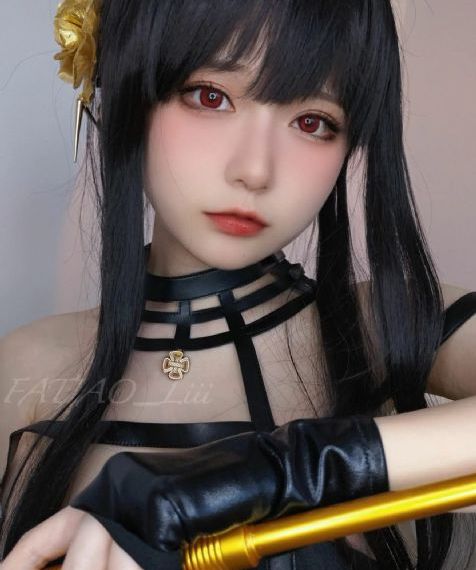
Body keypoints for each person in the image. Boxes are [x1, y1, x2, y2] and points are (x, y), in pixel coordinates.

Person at [0, 0, 475, 568]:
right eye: (210, 96)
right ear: (125, 90)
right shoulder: (28, 368)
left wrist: (268, 472)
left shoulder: (385, 328)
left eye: (313, 122)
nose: (255, 170)